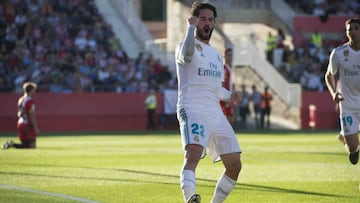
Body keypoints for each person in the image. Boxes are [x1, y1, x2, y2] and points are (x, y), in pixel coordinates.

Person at [175, 2, 242, 203]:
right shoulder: (184, 45)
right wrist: (189, 29)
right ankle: (190, 198)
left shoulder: (215, 54)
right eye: (202, 19)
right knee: (193, 154)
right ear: (195, 21)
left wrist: (230, 95)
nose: (207, 23)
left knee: (234, 165)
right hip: (192, 108)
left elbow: (215, 88)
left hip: (214, 112)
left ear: (214, 24)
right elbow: (186, 57)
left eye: (210, 20)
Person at [324, 17, 360, 165]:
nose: (353, 32)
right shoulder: (339, 53)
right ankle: (349, 143)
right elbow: (329, 75)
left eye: (356, 28)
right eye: (350, 29)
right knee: (353, 148)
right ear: (346, 33)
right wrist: (334, 93)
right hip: (348, 106)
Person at [3, 82, 39, 149]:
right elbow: (31, 114)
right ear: (30, 90)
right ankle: (12, 144)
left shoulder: (21, 99)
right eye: (34, 90)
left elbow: (19, 112)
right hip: (27, 124)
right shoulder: (30, 101)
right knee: (31, 146)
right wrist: (35, 126)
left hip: (20, 122)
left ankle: (11, 144)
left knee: (25, 144)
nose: (35, 92)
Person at [220, 48, 235, 126]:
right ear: (225, 56)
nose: (230, 57)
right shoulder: (224, 68)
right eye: (229, 55)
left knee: (230, 120)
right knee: (227, 120)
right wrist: (227, 98)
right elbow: (222, 84)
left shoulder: (229, 68)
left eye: (231, 55)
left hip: (229, 97)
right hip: (225, 99)